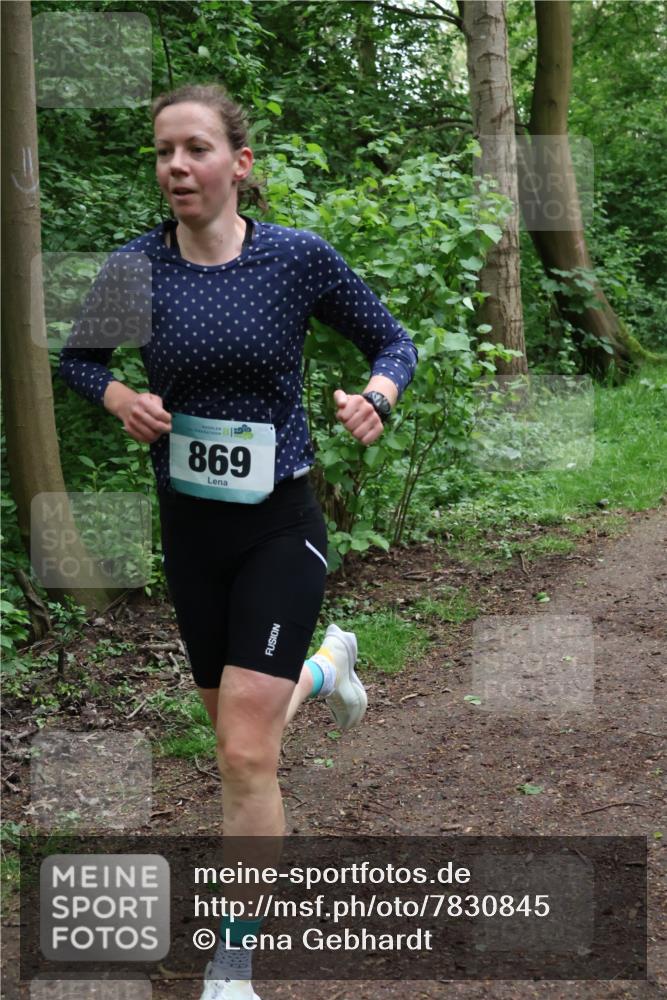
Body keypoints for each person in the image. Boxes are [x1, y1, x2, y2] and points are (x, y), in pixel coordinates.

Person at [59, 82, 417, 1000]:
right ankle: (324, 671)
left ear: (239, 164)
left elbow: (392, 343)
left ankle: (233, 959)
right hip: (191, 529)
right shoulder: (136, 269)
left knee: (244, 756)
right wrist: (117, 398)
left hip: (280, 523)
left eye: (195, 149)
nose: (176, 166)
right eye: (163, 152)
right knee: (234, 735)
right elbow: (79, 358)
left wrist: (371, 399)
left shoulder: (296, 260)